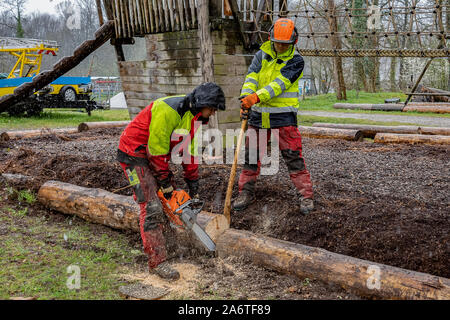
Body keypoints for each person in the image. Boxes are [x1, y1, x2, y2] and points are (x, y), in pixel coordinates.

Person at [117, 83, 226, 280]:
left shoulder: (194, 118)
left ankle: (170, 246)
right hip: (134, 154)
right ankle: (157, 262)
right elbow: (156, 149)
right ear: (203, 103)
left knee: (171, 203)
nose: (212, 113)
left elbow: (189, 151)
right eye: (212, 109)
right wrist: (165, 182)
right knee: (151, 206)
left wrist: (193, 180)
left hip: (155, 156)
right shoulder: (168, 110)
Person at [233, 18, 314, 215]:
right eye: (278, 42)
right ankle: (245, 192)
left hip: (284, 118)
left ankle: (306, 196)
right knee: (251, 156)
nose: (280, 47)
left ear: (293, 43)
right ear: (271, 38)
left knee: (293, 157)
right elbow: (251, 77)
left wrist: (256, 97)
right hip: (258, 117)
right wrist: (246, 96)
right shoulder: (261, 55)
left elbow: (279, 85)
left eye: (285, 44)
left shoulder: (296, 61)